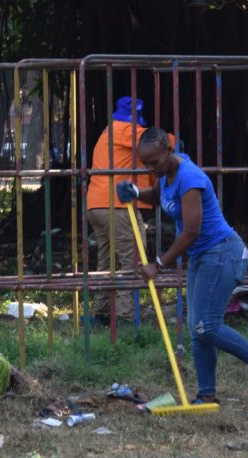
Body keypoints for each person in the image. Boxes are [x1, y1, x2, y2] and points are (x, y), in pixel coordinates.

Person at [117, 127, 248, 405]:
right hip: (202, 256)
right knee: (196, 327)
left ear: (168, 151)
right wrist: (136, 191)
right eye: (145, 163)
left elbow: (191, 232)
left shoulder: (190, 177)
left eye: (154, 162)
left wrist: (158, 264)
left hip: (221, 253)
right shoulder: (167, 173)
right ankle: (207, 394)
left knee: (206, 327)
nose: (150, 167)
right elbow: (159, 196)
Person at [85, 97, 153, 325]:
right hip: (117, 204)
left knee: (108, 262)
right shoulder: (127, 130)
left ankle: (101, 314)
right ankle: (124, 318)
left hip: (96, 204)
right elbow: (158, 143)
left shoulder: (108, 131)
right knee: (133, 259)